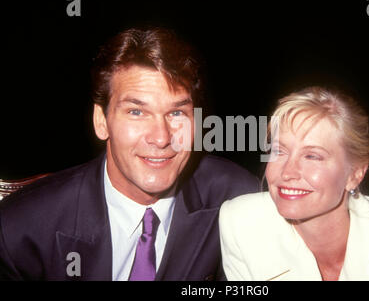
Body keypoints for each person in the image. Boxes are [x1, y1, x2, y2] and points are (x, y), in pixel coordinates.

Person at [0, 27, 259, 280]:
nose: (161, 137)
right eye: (136, 112)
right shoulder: (20, 231)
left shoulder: (237, 196)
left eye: (177, 113)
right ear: (101, 121)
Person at [219, 86, 369, 281]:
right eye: (279, 151)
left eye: (312, 156)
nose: (287, 172)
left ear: (355, 174)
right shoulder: (240, 222)